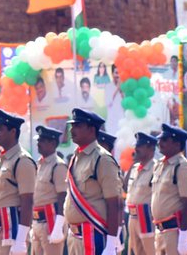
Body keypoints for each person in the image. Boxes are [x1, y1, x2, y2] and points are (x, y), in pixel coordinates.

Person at [64, 108, 124, 255]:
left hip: (93, 234)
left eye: (78, 126)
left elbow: (113, 203)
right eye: (72, 126)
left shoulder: (102, 159)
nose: (72, 130)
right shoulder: (76, 157)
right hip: (75, 236)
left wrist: (111, 242)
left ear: (91, 129)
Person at [0, 109, 36, 255]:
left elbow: (27, 201)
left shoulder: (22, 161)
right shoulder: (1, 160)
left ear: (13, 131)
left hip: (11, 233)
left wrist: (21, 239)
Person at [151, 124, 187, 255]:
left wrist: (184, 237)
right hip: (160, 230)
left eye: (165, 140)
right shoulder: (159, 165)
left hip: (175, 231)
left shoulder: (182, 167)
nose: (159, 143)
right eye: (160, 140)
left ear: (176, 144)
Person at [31, 124, 69, 255]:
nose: (38, 143)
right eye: (38, 140)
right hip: (37, 221)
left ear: (52, 143)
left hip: (50, 222)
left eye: (42, 140)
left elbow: (63, 196)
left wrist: (59, 225)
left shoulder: (58, 166)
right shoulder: (39, 164)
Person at [125, 132, 158, 255]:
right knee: (134, 251)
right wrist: (133, 163)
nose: (136, 149)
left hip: (146, 216)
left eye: (140, 146)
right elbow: (124, 187)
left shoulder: (156, 168)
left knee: (150, 251)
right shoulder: (135, 168)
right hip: (132, 217)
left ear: (150, 149)